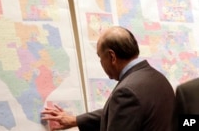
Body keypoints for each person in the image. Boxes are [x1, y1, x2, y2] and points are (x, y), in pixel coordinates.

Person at [41, 26, 175, 131]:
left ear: (112, 57)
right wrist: (76, 120)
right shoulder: (158, 78)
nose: (101, 63)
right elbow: (122, 111)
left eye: (100, 57)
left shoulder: (127, 91)